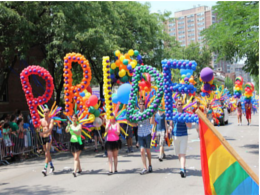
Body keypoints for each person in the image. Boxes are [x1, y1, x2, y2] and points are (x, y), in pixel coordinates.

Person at [131, 99, 154, 175]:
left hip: (147, 133)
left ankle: (150, 164)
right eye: (140, 104)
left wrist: (153, 115)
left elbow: (151, 122)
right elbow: (135, 124)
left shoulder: (147, 112)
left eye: (143, 104)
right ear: (138, 105)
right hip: (140, 134)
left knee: (148, 151)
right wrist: (129, 122)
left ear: (145, 105)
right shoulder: (136, 113)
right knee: (141, 151)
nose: (141, 105)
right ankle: (145, 167)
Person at [171, 99, 192, 178]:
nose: (180, 106)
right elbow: (171, 124)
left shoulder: (185, 114)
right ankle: (182, 166)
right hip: (175, 135)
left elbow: (189, 126)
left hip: (184, 135)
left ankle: (182, 169)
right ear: (176, 106)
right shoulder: (174, 114)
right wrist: (169, 129)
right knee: (179, 154)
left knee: (182, 153)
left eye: (181, 104)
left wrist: (185, 120)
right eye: (178, 104)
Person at [39, 108, 54, 176]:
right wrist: (39, 131)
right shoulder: (41, 120)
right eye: (44, 112)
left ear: (49, 112)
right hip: (43, 138)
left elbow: (50, 129)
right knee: (47, 153)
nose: (45, 113)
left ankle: (45, 168)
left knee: (46, 153)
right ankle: (51, 166)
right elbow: (38, 128)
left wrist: (43, 132)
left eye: (47, 112)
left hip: (48, 137)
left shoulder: (51, 120)